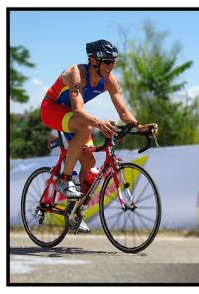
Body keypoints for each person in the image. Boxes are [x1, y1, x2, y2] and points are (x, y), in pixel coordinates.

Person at [41, 39, 158, 232]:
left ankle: (75, 211)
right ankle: (65, 178)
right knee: (85, 127)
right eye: (106, 62)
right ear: (93, 60)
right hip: (52, 109)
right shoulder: (75, 74)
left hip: (73, 116)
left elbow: (123, 113)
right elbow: (78, 112)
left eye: (113, 61)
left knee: (90, 162)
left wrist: (139, 127)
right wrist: (99, 123)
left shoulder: (110, 80)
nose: (110, 66)